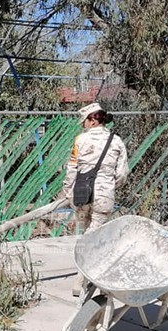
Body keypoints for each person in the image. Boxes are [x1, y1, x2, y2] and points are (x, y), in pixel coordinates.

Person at [63, 103, 129, 297]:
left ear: (92, 120)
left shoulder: (80, 140)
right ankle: (85, 276)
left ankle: (82, 276)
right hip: (104, 194)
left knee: (86, 233)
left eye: (84, 121)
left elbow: (72, 169)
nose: (83, 125)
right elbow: (122, 173)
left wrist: (68, 191)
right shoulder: (116, 141)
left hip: (82, 194)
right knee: (96, 233)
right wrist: (109, 184)